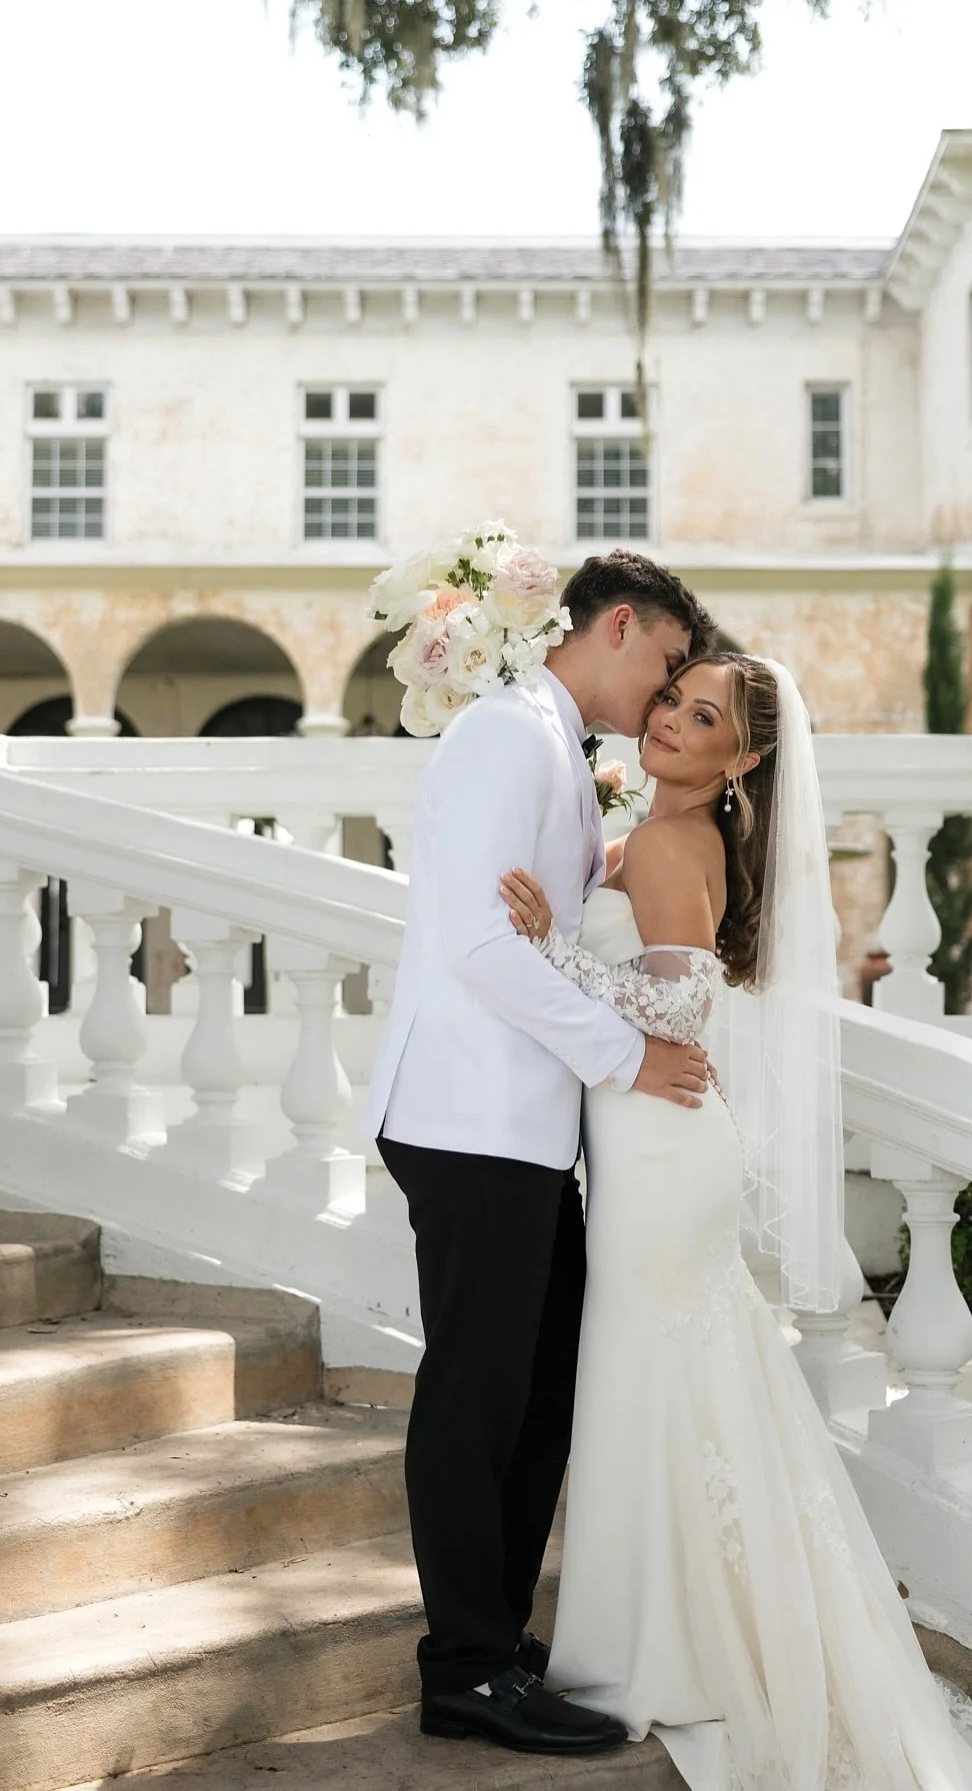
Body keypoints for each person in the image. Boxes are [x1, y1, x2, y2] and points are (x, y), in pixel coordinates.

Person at [497, 653, 972, 1791]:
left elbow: (681, 1003)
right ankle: (680, 1631)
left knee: (648, 1379)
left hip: (661, 1154)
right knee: (675, 1382)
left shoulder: (665, 841)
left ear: (742, 759)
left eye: (702, 717)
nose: (668, 721)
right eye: (672, 698)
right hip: (660, 1148)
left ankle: (656, 1650)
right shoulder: (660, 839)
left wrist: (550, 943)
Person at [360, 548, 716, 1757]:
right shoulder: (508, 734)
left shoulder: (557, 749)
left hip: (522, 1126)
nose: (666, 697)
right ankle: (462, 1666)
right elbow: (479, 945)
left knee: (537, 1395)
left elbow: (546, 930)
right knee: (476, 1400)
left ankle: (496, 1640)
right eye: (667, 666)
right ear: (619, 625)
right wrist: (627, 1056)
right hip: (468, 1116)